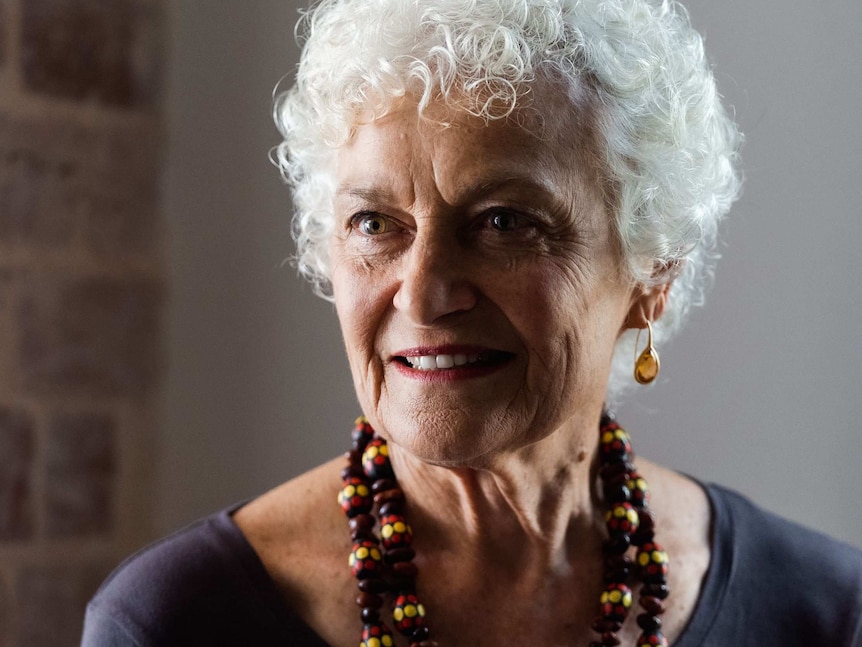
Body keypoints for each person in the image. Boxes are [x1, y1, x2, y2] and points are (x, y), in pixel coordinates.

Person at [82, 0, 862, 645]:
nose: (421, 295)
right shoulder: (175, 620)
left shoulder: (824, 611)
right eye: (374, 223)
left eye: (503, 222)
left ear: (653, 271)